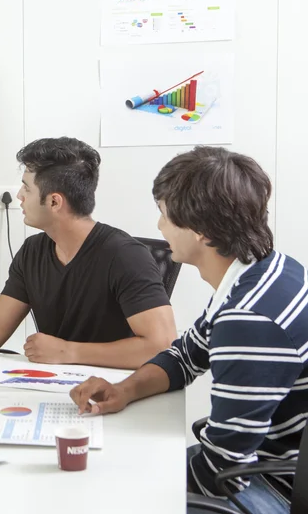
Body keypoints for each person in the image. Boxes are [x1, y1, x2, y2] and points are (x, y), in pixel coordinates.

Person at [70, 147, 307, 514]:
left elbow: (221, 472)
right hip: (260, 463)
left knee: (106, 495)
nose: (160, 227)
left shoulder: (250, 319)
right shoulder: (267, 269)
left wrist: (126, 487)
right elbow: (186, 355)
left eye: (164, 215)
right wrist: (124, 390)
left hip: (274, 485)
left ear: (200, 232)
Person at [0, 137, 177, 369]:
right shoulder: (34, 251)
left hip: (116, 393)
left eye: (26, 188)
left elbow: (160, 345)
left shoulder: (125, 256)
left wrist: (69, 352)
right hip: (55, 385)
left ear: (54, 202)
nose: (19, 195)